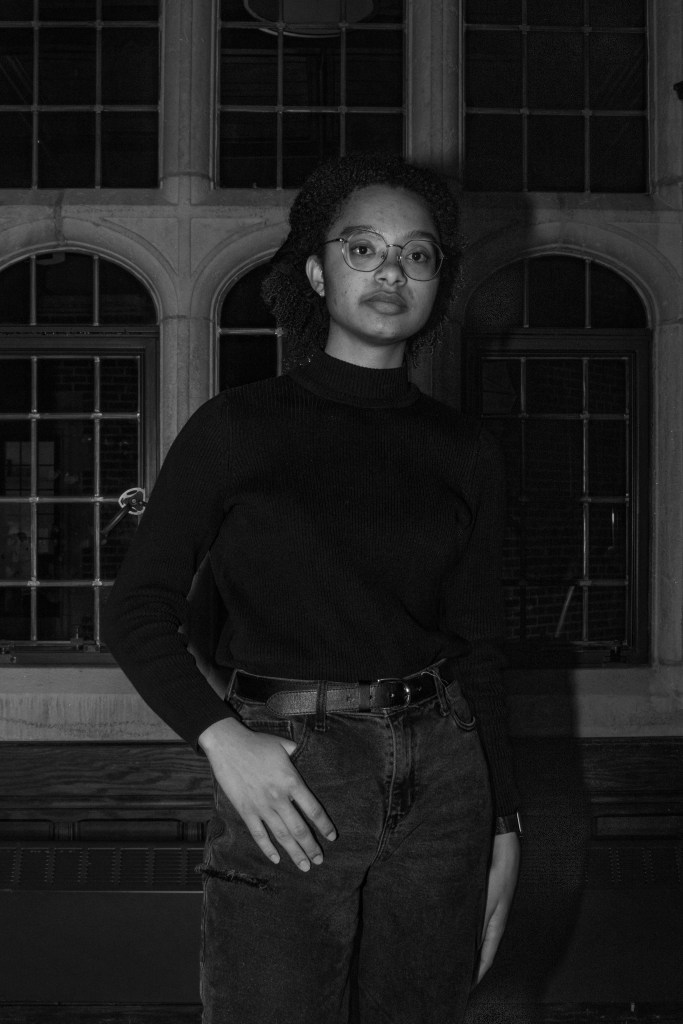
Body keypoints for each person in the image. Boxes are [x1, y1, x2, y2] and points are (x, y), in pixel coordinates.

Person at [103, 153, 521, 1024]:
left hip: (447, 777)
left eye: (416, 254)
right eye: (362, 248)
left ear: (437, 282)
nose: (389, 271)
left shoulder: (468, 451)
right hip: (293, 769)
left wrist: (503, 822)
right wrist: (224, 739)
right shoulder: (235, 427)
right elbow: (137, 611)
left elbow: (480, 648)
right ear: (317, 272)